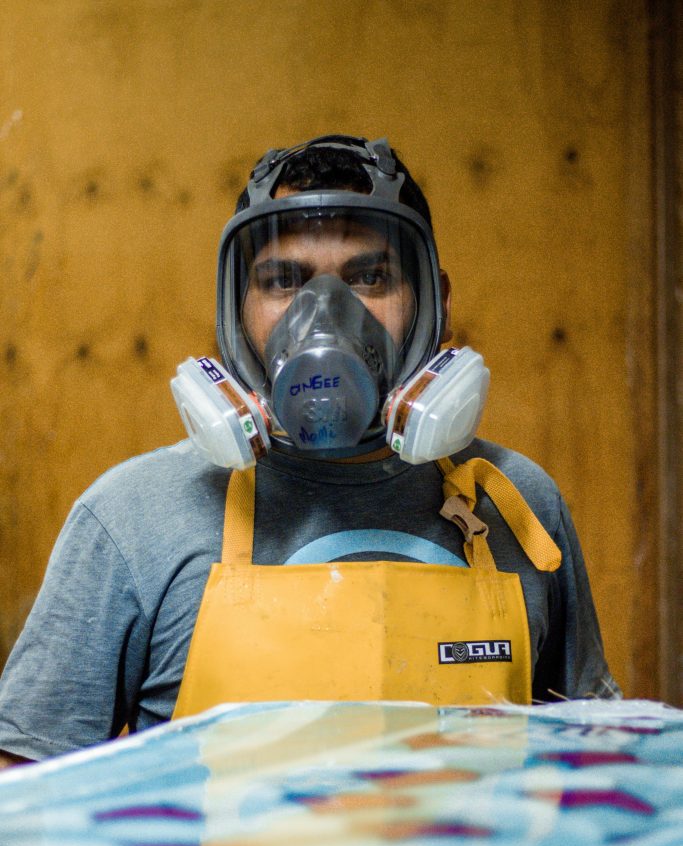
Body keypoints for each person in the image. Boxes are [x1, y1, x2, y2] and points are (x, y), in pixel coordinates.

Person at [0, 134, 619, 768]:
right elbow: (24, 810)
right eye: (283, 280)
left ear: (437, 304)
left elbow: (592, 772)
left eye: (370, 277)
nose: (325, 316)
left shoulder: (518, 503)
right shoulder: (132, 518)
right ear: (236, 312)